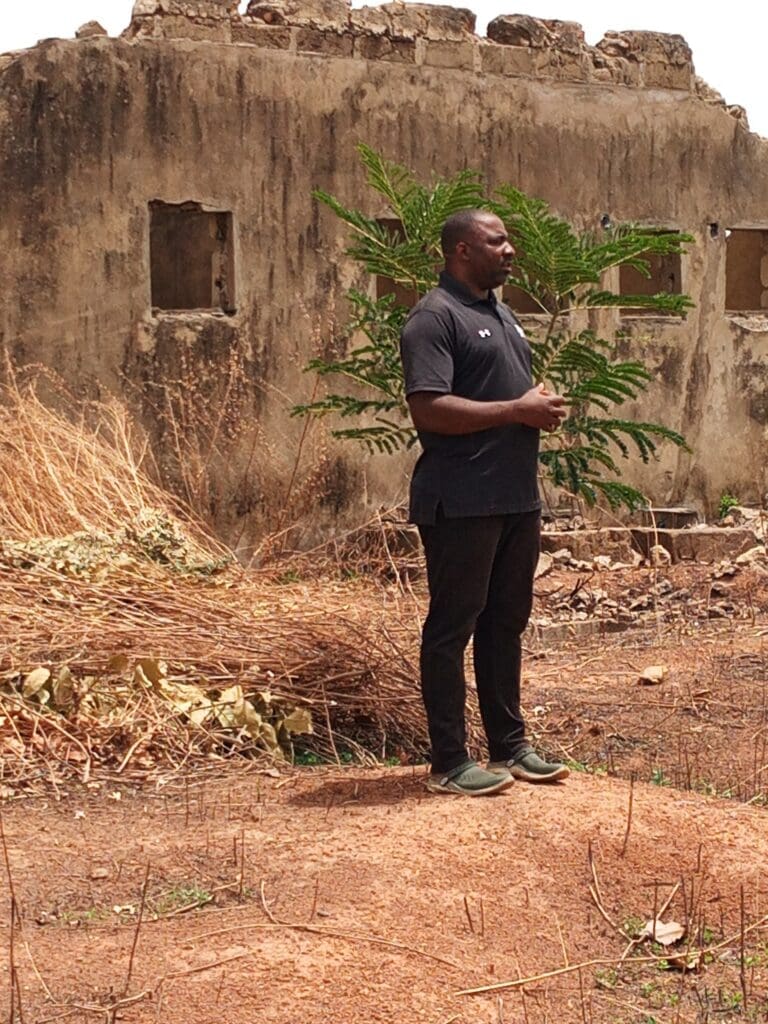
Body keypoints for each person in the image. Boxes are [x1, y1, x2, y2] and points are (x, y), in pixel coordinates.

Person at [399, 209, 569, 796]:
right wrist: (516, 411)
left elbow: (504, 397)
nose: (511, 250)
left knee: (505, 623)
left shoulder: (502, 315)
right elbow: (429, 407)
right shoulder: (434, 317)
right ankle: (448, 762)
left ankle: (510, 746)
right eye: (498, 242)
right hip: (462, 500)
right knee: (452, 628)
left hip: (515, 498)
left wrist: (533, 402)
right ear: (462, 251)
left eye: (509, 240)